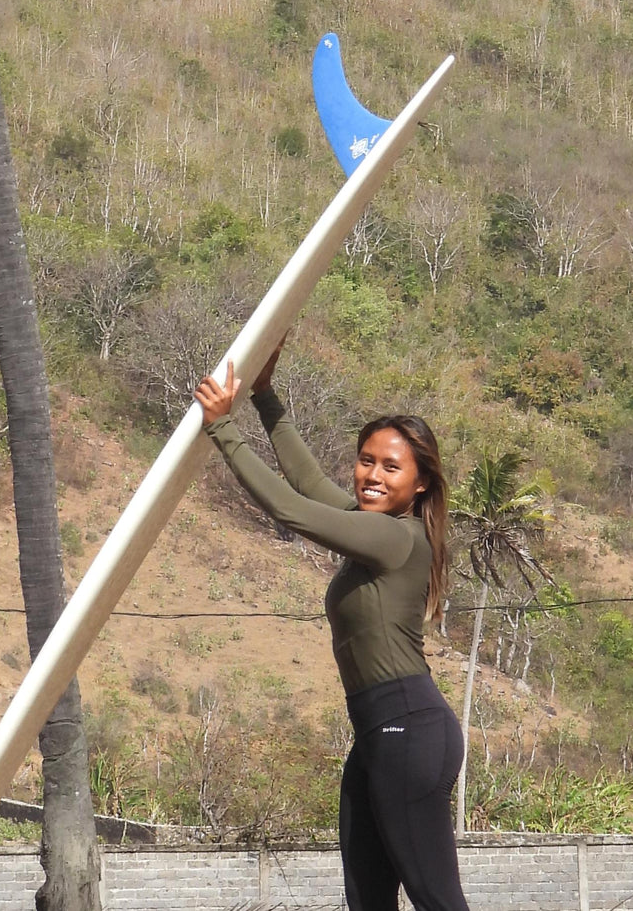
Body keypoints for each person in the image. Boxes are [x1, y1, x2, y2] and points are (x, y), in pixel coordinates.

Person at [195, 345, 470, 911]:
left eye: (391, 467)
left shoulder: (397, 537)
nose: (372, 476)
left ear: (420, 484)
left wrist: (223, 429)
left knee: (436, 899)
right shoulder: (370, 523)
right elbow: (307, 480)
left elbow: (290, 509)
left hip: (409, 729)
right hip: (377, 734)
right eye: (366, 460)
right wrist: (265, 397)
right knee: (367, 900)